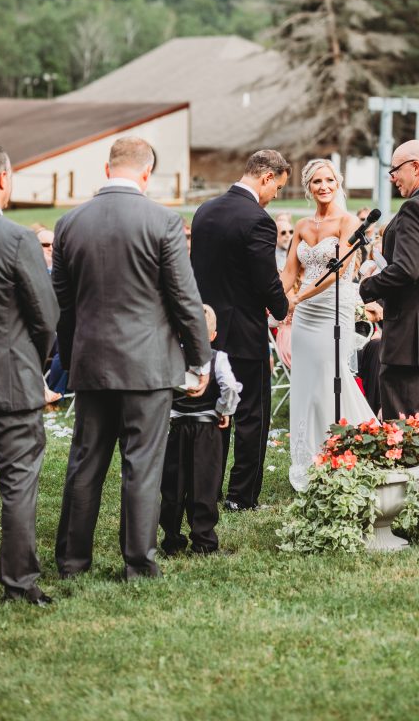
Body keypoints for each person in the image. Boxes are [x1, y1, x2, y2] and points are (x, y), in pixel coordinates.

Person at [53, 137, 211, 580]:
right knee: (142, 465)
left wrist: (70, 360)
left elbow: (61, 303)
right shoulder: (162, 221)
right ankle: (138, 564)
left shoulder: (69, 223)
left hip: (90, 363)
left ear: (107, 169)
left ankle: (71, 562)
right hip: (148, 366)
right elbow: (185, 298)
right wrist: (200, 361)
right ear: (147, 173)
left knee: (85, 462)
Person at [191, 150, 290, 511]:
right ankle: (241, 496)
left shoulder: (203, 211)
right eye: (276, 187)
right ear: (266, 178)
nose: (274, 195)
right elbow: (265, 279)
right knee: (251, 416)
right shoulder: (258, 220)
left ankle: (207, 489)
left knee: (214, 413)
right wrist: (282, 308)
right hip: (245, 334)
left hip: (207, 332)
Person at [0, 144, 59, 605]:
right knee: (17, 486)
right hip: (10, 382)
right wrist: (33, 362)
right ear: (2, 179)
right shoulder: (16, 239)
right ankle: (18, 584)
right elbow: (46, 317)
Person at [281, 159, 374, 491]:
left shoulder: (347, 222)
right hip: (305, 315)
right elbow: (290, 274)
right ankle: (309, 458)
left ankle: (348, 448)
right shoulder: (303, 226)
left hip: (333, 309)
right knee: (306, 384)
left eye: (329, 180)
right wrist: (278, 303)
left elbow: (336, 271)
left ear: (338, 183)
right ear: (309, 187)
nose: (324, 186)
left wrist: (299, 297)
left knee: (330, 377)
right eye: (317, 181)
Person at [359, 140, 419, 463]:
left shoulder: (414, 208)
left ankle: (410, 494)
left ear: (416, 167)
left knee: (405, 423)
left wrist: (369, 286)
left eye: (395, 170)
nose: (393, 177)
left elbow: (407, 270)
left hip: (409, 337)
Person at [160, 304, 242, 556]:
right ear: (213, 336)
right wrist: (224, 410)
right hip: (207, 429)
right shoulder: (218, 358)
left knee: (172, 485)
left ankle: (172, 540)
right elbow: (228, 386)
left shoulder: (171, 357)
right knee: (204, 485)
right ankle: (203, 541)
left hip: (175, 428)